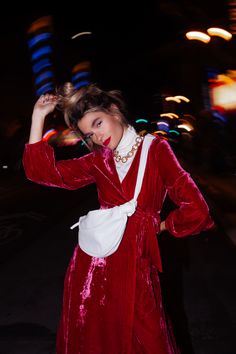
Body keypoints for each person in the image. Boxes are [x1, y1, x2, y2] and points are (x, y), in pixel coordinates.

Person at [23, 83, 214, 354]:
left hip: (136, 267)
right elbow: (42, 173)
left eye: (98, 123)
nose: (98, 137)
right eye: (90, 134)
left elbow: (197, 208)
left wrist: (160, 226)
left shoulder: (156, 149)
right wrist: (38, 116)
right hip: (91, 268)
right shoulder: (99, 161)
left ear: (114, 110)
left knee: (149, 338)